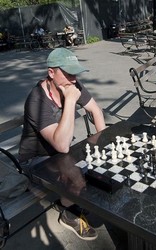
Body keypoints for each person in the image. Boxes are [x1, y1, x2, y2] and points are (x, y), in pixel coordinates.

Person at [18, 48, 106, 240]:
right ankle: (69, 214)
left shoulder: (71, 84)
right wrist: (71, 101)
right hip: (36, 160)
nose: (73, 79)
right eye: (68, 73)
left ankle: (74, 198)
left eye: (75, 73)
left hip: (59, 154)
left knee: (98, 168)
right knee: (78, 178)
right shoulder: (37, 100)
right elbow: (62, 145)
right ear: (51, 72)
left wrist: (102, 148)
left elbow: (96, 111)